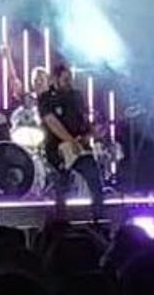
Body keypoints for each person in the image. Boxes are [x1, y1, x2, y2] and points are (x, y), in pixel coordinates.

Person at [38, 64, 106, 221]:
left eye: (70, 79)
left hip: (79, 146)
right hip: (57, 148)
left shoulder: (76, 96)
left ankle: (98, 219)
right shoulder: (45, 98)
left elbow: (83, 119)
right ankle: (61, 224)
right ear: (55, 79)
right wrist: (70, 140)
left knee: (94, 179)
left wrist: (92, 133)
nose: (69, 83)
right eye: (65, 79)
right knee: (61, 186)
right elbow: (51, 121)